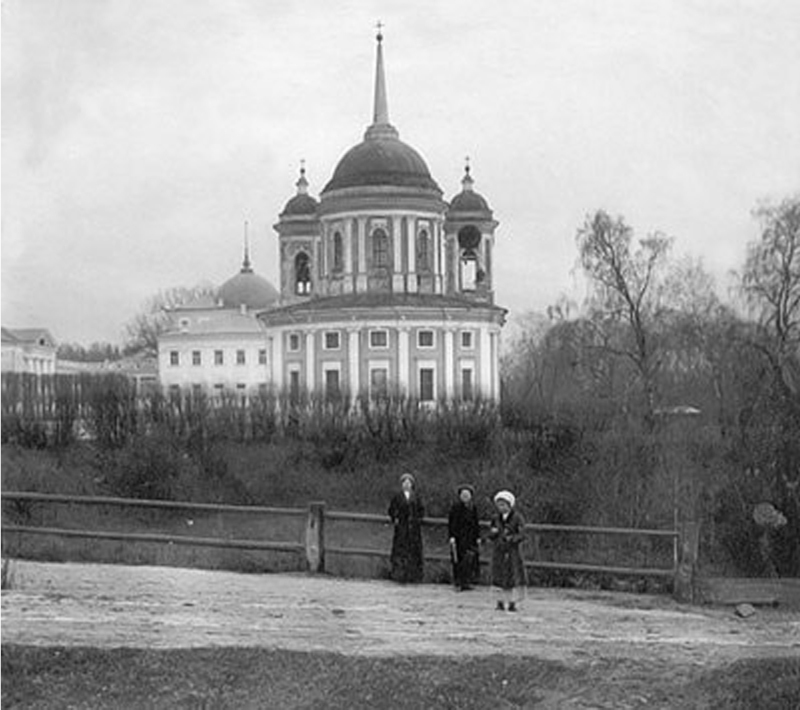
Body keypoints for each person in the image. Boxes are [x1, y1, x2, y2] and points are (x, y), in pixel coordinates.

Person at [488, 490, 527, 611]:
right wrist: (493, 534)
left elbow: (522, 534)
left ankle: (512, 602)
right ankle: (499, 602)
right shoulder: (495, 518)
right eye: (499, 505)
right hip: (499, 551)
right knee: (498, 576)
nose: (501, 507)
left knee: (513, 576)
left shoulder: (517, 517)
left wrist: (512, 539)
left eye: (503, 505)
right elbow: (491, 533)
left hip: (512, 552)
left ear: (510, 505)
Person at [388, 472, 425, 583]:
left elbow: (421, 510)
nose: (407, 484)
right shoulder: (397, 496)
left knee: (414, 551)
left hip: (414, 529)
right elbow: (391, 510)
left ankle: (414, 575)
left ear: (412, 484)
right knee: (400, 550)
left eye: (409, 482)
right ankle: (399, 574)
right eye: (405, 482)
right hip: (401, 528)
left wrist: (418, 520)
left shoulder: (416, 496)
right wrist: (395, 518)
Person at [448, 484, 481, 591]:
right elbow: (451, 523)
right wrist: (452, 536)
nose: (465, 496)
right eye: (463, 494)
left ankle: (467, 582)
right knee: (458, 560)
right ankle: (458, 582)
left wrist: (478, 537)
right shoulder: (455, 507)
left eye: (467, 494)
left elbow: (476, 523)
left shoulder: (473, 507)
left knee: (470, 560)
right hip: (458, 538)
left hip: (470, 538)